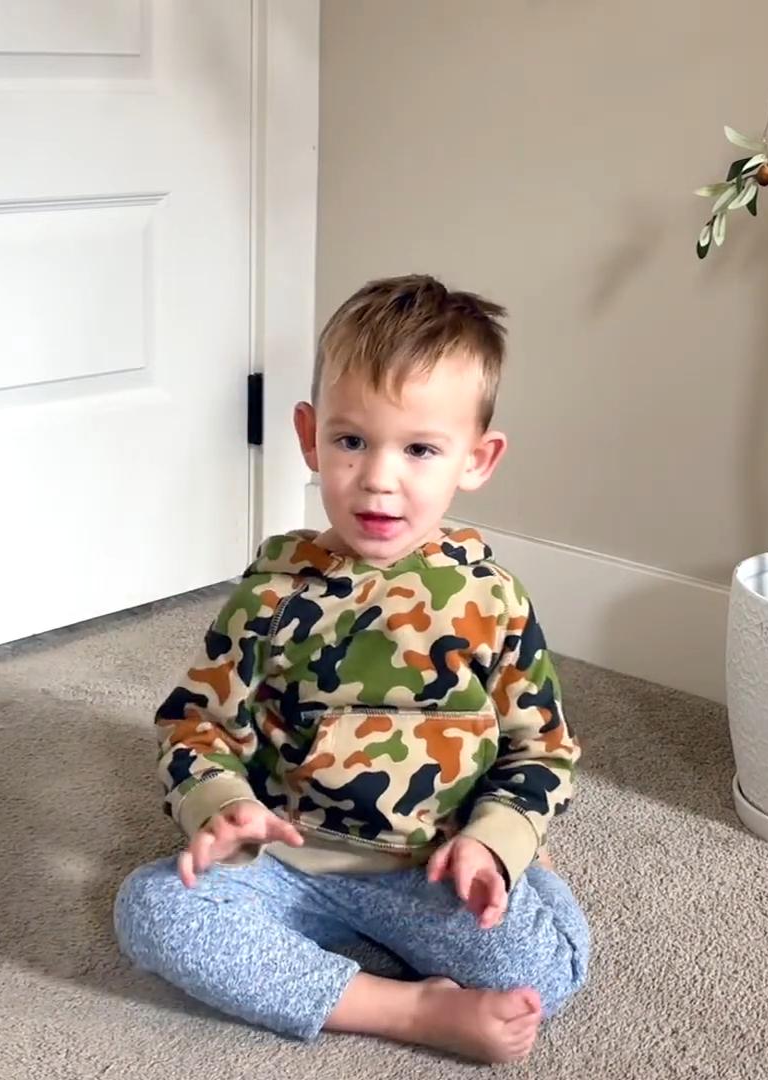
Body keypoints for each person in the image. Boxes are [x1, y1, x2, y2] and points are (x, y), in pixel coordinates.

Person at [114, 275, 588, 1064]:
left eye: (420, 450)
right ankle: (398, 1008)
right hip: (284, 861)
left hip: (427, 869)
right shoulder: (272, 590)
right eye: (351, 440)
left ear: (477, 459)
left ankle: (514, 872)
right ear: (309, 435)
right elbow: (196, 722)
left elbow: (543, 750)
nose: (377, 477)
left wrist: (495, 845)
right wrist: (221, 805)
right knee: (151, 910)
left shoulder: (490, 599)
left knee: (543, 968)